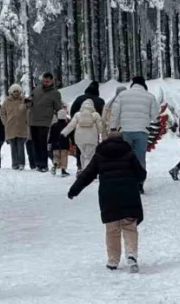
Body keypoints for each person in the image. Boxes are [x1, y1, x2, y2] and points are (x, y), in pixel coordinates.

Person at [66, 134, 147, 273]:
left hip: (109, 198)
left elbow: (87, 174)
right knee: (129, 227)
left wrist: (74, 190)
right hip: (129, 196)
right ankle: (131, 254)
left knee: (112, 230)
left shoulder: (100, 155)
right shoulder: (129, 153)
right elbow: (141, 175)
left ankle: (113, 261)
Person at [108, 77, 159, 191]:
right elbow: (155, 116)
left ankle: (126, 182)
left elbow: (115, 112)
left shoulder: (122, 95)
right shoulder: (150, 96)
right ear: (143, 84)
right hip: (142, 131)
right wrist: (146, 119)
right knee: (140, 158)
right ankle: (140, 183)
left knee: (125, 157)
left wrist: (113, 128)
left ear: (132, 84)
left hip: (125, 130)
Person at [27, 72, 63, 172]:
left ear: (52, 81)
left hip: (45, 121)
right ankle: (38, 163)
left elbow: (58, 107)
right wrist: (28, 102)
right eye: (44, 80)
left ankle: (44, 164)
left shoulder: (55, 93)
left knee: (43, 143)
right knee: (35, 143)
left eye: (48, 81)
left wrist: (61, 119)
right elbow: (31, 99)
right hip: (33, 119)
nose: (46, 83)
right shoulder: (37, 89)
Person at [61, 98, 104, 171]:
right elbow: (100, 128)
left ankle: (83, 170)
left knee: (83, 155)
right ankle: (88, 171)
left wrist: (63, 133)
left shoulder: (77, 115)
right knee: (89, 156)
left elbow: (71, 125)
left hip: (79, 139)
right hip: (92, 139)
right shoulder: (96, 115)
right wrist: (103, 134)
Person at [0, 84, 29, 170]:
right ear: (11, 92)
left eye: (18, 91)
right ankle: (15, 164)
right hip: (10, 127)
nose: (16, 93)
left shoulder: (24, 100)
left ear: (20, 92)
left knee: (20, 146)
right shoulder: (6, 101)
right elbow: (2, 113)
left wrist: (26, 121)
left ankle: (21, 164)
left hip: (21, 126)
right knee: (13, 147)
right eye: (14, 91)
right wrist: (5, 122)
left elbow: (28, 110)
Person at [49, 107, 72, 177]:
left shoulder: (54, 125)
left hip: (55, 145)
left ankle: (55, 164)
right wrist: (73, 142)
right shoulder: (67, 125)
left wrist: (49, 143)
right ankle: (63, 170)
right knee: (63, 157)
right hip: (64, 145)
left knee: (56, 156)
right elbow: (70, 135)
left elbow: (51, 135)